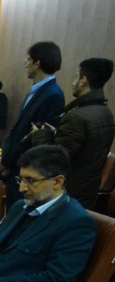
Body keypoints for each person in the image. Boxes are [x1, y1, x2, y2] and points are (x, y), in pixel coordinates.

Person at [0, 145, 96, 282]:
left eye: (30, 180)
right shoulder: (19, 206)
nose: (22, 188)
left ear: (57, 182)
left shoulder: (76, 222)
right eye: (21, 179)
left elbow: (58, 281)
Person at [25, 58, 115, 209]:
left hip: (68, 192)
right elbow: (85, 149)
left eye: (76, 77)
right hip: (88, 191)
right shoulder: (106, 113)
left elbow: (55, 159)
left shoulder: (76, 117)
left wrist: (39, 135)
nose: (73, 83)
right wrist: (56, 133)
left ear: (83, 80)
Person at [0, 41, 65, 207]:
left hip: (28, 169)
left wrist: (10, 162)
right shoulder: (36, 91)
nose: (25, 62)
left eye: (28, 59)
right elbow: (18, 129)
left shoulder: (53, 95)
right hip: (15, 166)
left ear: (37, 63)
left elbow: (37, 139)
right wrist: (5, 159)